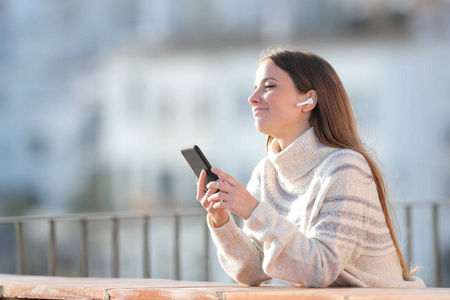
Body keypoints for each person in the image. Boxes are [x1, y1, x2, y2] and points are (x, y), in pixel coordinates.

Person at [196, 46, 425, 288]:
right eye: (255, 89)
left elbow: (321, 268)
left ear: (308, 100)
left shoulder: (345, 168)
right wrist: (221, 220)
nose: (253, 98)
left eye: (269, 86)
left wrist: (254, 211)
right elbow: (252, 271)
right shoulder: (267, 173)